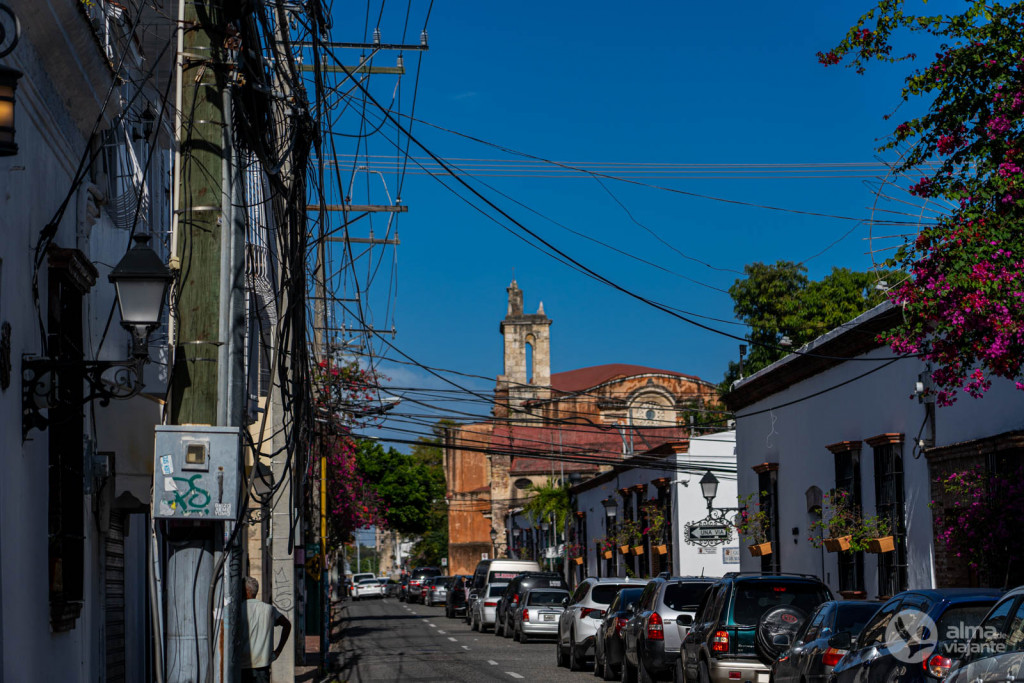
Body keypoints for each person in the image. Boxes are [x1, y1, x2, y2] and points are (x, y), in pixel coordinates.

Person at [240, 576, 291, 683]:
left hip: (241, 666)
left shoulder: (238, 610)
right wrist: (278, 650)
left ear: (246, 591)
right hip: (263, 666)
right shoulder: (269, 609)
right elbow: (287, 624)